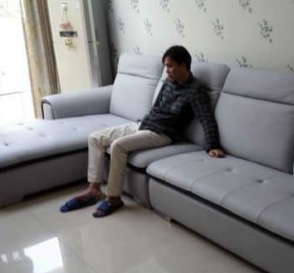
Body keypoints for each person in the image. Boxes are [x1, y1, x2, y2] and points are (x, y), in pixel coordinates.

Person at [60, 45, 225, 217]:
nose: (166, 71)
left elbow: (206, 118)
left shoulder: (196, 91)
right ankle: (94, 189)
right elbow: (156, 107)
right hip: (144, 124)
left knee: (118, 146)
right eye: (165, 66)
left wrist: (212, 145)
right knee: (95, 138)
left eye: (170, 66)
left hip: (162, 134)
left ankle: (113, 198)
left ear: (183, 66)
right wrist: (142, 124)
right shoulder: (169, 82)